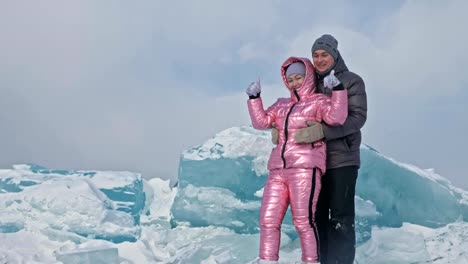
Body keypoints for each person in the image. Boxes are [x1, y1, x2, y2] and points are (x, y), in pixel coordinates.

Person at [272, 34, 368, 264]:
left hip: (342, 159)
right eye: (315, 55)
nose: (319, 59)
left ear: (335, 55)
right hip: (313, 163)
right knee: (315, 218)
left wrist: (323, 131)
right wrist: (280, 129)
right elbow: (293, 112)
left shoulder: (352, 81)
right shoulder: (308, 83)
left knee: (341, 218)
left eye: (324, 54)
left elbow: (358, 117)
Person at [246, 56, 348, 264]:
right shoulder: (281, 105)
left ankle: (310, 261)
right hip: (278, 170)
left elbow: (337, 117)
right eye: (290, 79)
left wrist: (338, 91)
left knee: (303, 222)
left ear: (308, 76)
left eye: (298, 77)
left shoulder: (319, 101)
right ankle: (267, 260)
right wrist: (255, 98)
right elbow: (262, 122)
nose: (293, 82)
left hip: (305, 169)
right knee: (268, 220)